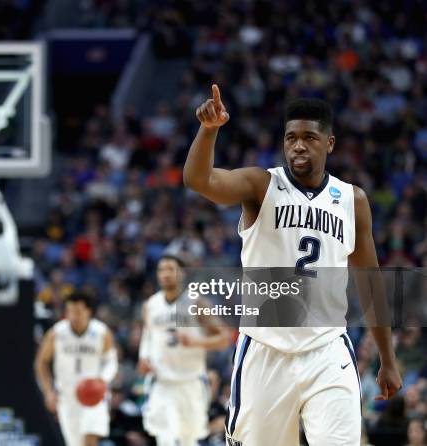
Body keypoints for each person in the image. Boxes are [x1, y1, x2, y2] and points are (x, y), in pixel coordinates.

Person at [183, 85, 403, 446]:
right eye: (291, 137)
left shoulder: (353, 200)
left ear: (329, 143)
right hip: (266, 349)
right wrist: (209, 131)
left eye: (309, 137)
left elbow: (371, 283)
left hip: (328, 349)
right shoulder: (261, 184)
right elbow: (199, 180)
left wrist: (387, 358)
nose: (298, 145)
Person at [137, 254, 230, 446]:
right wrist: (144, 358)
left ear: (182, 273)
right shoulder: (151, 305)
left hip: (190, 381)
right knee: (165, 438)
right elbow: (148, 336)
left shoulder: (197, 302)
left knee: (188, 440)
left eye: (171, 269)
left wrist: (197, 342)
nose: (166, 274)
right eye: (162, 270)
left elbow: (224, 338)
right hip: (161, 381)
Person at [35, 291, 118, 446]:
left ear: (89, 311)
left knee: (89, 440)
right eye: (70, 311)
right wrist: (48, 391)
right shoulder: (57, 333)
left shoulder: (101, 332)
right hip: (67, 396)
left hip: (94, 394)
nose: (74, 316)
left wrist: (102, 380)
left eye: (78, 311)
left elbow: (111, 362)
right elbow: (41, 362)